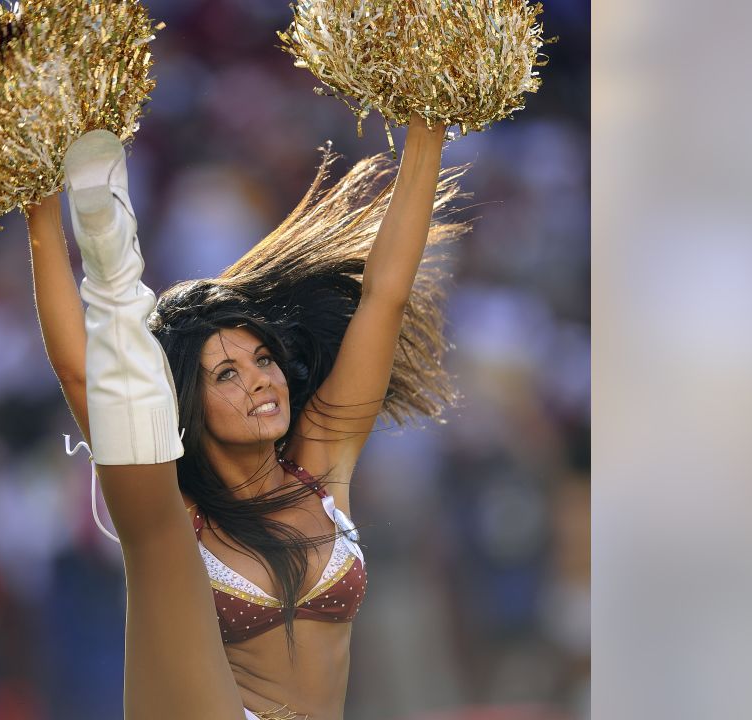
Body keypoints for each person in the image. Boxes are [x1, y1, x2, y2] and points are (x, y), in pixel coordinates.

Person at [26, 115, 456, 720]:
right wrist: (37, 203)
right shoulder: (183, 518)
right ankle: (112, 270)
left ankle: (116, 278)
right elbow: (79, 377)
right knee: (155, 523)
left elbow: (384, 295)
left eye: (262, 359)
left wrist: (428, 128)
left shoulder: (321, 468)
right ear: (189, 403)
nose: (259, 379)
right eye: (227, 374)